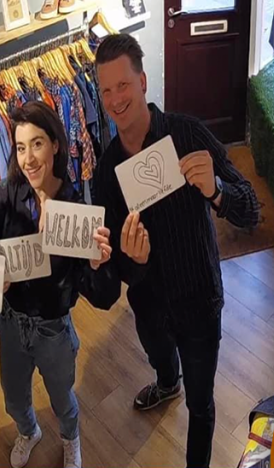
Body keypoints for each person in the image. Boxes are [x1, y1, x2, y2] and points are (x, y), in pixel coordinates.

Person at [93, 33, 260, 467]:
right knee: (161, 361)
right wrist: (130, 261)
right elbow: (117, 273)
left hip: (199, 300)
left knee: (201, 405)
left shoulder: (187, 133)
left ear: (143, 82)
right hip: (149, 306)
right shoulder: (106, 173)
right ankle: (168, 383)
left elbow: (251, 210)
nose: (115, 99)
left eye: (123, 85)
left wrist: (217, 190)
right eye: (106, 90)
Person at [0, 101, 119, 468]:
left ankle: (71, 439)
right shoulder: (5, 196)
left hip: (53, 329)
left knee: (62, 398)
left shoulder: (75, 209)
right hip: (12, 322)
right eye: (20, 147)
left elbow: (104, 296)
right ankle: (29, 431)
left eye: (37, 144)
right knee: (13, 397)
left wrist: (96, 264)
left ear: (56, 145)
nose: (28, 158)